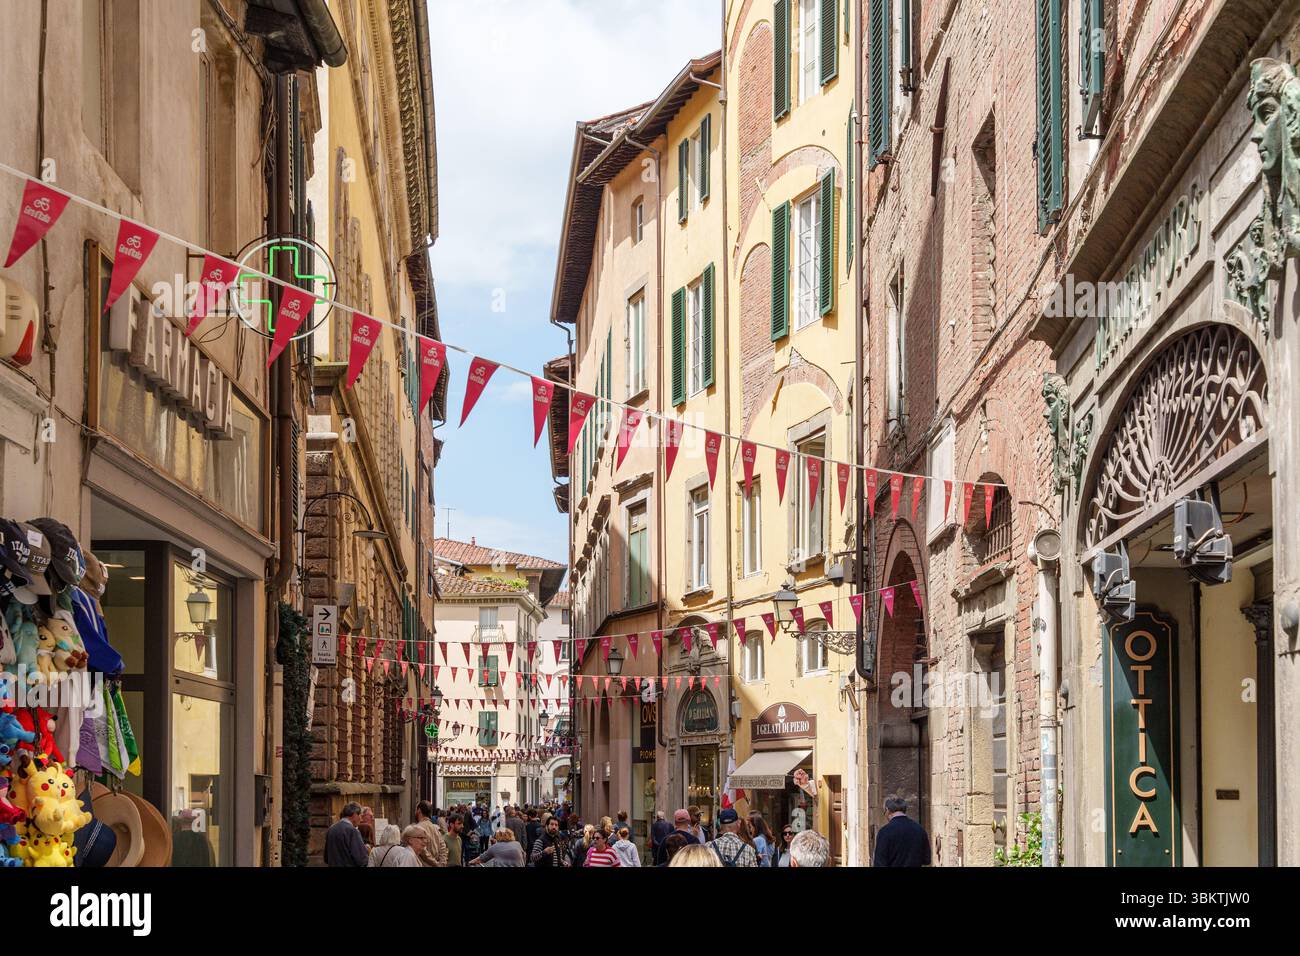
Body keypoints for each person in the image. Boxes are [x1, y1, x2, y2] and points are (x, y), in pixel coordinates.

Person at [872, 797, 931, 867]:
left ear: (887, 810)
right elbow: (927, 860)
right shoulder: (919, 829)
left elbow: (879, 863)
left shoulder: (885, 832)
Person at [324, 803, 368, 867]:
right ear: (355, 815)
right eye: (360, 816)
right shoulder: (352, 831)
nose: (361, 819)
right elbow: (361, 859)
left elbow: (326, 858)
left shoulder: (331, 829)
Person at [414, 801, 448, 866]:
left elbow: (423, 851)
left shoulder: (417, 828)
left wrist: (437, 864)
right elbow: (443, 848)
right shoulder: (436, 828)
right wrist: (441, 864)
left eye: (415, 809)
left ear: (419, 810)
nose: (415, 812)